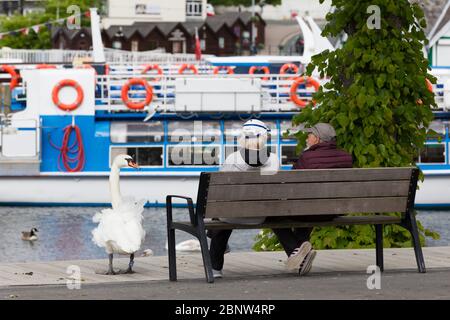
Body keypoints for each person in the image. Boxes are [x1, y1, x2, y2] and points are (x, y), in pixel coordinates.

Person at [270, 122, 353, 276]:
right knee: (309, 208)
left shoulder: (307, 157)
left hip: (311, 210)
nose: (307, 138)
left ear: (317, 138)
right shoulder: (346, 157)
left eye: (310, 135)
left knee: (273, 216)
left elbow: (291, 185)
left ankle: (299, 255)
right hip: (335, 210)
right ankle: (302, 259)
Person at [208, 119, 279, 278]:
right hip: (260, 215)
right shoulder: (274, 159)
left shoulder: (232, 158)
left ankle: (215, 268)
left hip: (231, 214)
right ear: (264, 137)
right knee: (227, 210)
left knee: (223, 212)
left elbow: (221, 192)